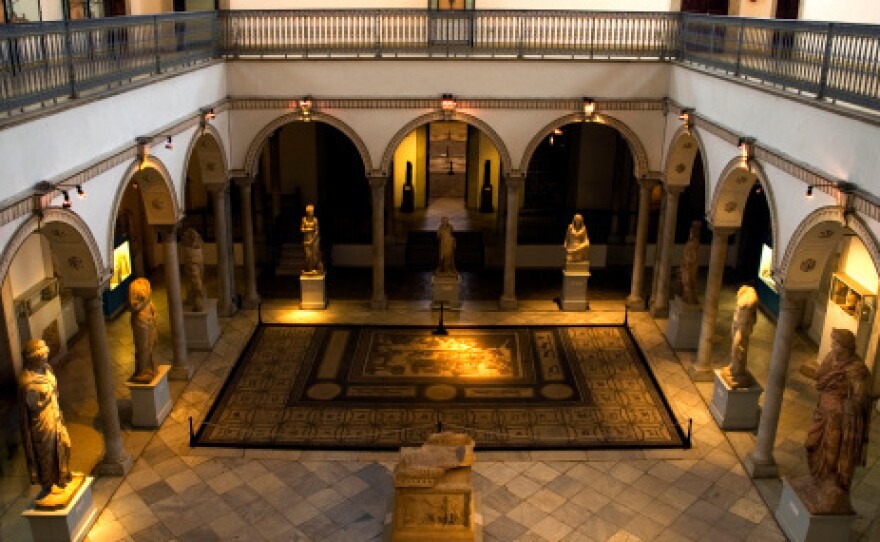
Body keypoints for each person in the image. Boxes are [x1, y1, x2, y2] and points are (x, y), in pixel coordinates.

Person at [801, 328, 871, 514]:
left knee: (832, 455)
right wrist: (823, 377)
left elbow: (861, 397)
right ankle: (818, 482)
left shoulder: (856, 369)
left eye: (836, 343)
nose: (832, 346)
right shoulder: (832, 357)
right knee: (811, 444)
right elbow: (819, 375)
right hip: (822, 412)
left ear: (846, 347)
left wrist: (850, 403)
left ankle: (829, 490)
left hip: (838, 420)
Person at [18, 339, 73, 503]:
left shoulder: (47, 370)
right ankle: (50, 483)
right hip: (42, 421)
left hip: (55, 414)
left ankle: (62, 473)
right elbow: (32, 405)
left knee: (65, 443)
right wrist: (44, 395)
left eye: (45, 355)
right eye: (42, 356)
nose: (45, 359)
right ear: (34, 357)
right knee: (46, 452)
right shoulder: (28, 383)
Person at [721, 285, 758, 388]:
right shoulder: (743, 296)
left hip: (742, 328)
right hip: (737, 325)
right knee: (734, 346)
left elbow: (751, 315)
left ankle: (738, 371)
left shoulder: (750, 301)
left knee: (738, 348)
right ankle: (733, 367)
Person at [129, 278, 158, 383]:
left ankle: (148, 367)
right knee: (143, 347)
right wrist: (144, 300)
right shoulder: (134, 288)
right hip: (140, 322)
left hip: (148, 321)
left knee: (151, 344)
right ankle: (141, 371)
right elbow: (134, 307)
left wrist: (153, 314)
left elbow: (152, 307)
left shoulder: (146, 284)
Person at [181, 228, 206, 312]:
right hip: (194, 260)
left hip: (196, 260)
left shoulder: (196, 246)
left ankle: (198, 299)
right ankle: (197, 299)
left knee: (197, 280)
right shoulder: (189, 248)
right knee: (196, 280)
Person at [679, 220, 701, 305]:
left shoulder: (694, 243)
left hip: (689, 266)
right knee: (686, 283)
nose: (691, 232)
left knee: (688, 283)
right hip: (687, 265)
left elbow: (692, 257)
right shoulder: (691, 243)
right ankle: (687, 298)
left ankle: (690, 299)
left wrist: (687, 263)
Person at [301, 204, 323, 274]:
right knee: (308, 255)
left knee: (315, 255)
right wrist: (310, 230)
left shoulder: (315, 220)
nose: (312, 212)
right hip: (306, 239)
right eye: (310, 211)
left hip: (314, 240)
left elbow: (317, 232)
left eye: (312, 211)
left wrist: (312, 241)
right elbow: (302, 229)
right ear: (307, 212)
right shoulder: (304, 219)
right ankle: (309, 269)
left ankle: (316, 268)